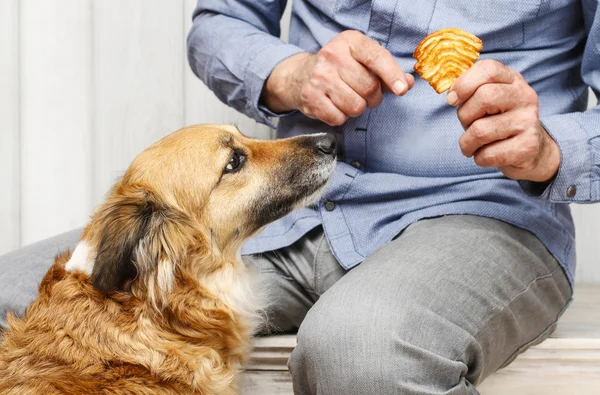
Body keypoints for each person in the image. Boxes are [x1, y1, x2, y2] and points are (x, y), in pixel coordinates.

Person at [1, 0, 598, 393]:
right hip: (279, 220)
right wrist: (288, 72)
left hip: (479, 212)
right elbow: (217, 21)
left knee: (359, 353)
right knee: (8, 295)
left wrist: (549, 148)